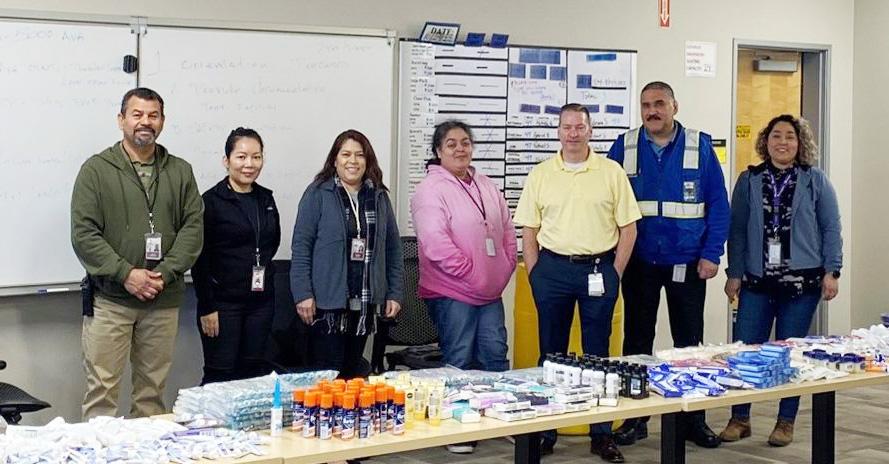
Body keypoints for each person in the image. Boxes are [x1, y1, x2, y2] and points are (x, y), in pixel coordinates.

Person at [514, 103, 640, 463]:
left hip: (599, 270)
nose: (572, 133)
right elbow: (530, 229)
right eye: (566, 127)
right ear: (558, 131)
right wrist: (536, 273)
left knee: (598, 356)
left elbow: (628, 228)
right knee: (550, 355)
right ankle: (547, 429)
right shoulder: (541, 173)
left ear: (590, 130)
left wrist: (615, 271)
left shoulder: (611, 172)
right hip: (552, 270)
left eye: (579, 127)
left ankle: (601, 434)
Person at [606, 81, 729, 449]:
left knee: (689, 343)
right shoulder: (623, 146)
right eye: (645, 105)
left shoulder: (699, 145)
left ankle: (692, 420)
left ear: (674, 105)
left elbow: (718, 206)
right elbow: (605, 204)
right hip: (639, 262)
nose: (652, 111)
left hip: (688, 263)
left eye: (659, 103)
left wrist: (712, 254)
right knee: (637, 341)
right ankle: (636, 418)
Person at [71, 87, 203, 419]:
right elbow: (84, 234)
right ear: (121, 120)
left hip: (162, 299)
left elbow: (192, 228)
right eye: (137, 114)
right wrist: (126, 274)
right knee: (102, 393)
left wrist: (165, 272)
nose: (145, 122)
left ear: (162, 122)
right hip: (111, 300)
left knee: (152, 395)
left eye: (153, 115)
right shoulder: (96, 170)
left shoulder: (180, 171)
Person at [720, 114, 842, 447]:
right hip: (757, 284)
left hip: (801, 286)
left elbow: (831, 228)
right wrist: (734, 274)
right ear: (766, 141)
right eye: (776, 136)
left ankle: (785, 422)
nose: (782, 142)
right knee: (745, 352)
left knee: (789, 355)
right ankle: (739, 418)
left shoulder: (815, 180)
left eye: (790, 136)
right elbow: (738, 231)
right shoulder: (749, 179)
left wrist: (832, 270)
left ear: (800, 143)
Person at [411, 120, 517, 454]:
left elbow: (507, 229)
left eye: (466, 142)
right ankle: (458, 428)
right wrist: (471, 272)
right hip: (453, 291)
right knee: (460, 357)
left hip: (489, 291)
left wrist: (505, 264)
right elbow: (434, 243)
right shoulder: (430, 189)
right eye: (452, 144)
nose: (460, 149)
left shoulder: (485, 184)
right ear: (438, 151)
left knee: (495, 353)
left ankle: (501, 416)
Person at [291, 129, 404, 379]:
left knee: (353, 376)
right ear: (335, 159)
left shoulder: (378, 197)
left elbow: (393, 250)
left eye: (359, 155)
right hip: (326, 306)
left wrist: (394, 293)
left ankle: (349, 419)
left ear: (368, 160)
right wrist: (303, 294)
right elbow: (301, 247)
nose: (353, 161)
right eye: (346, 154)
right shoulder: (318, 193)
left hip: (364, 305)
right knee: (328, 379)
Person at [191, 127, 281, 384]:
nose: (249, 164)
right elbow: (199, 258)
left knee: (253, 373)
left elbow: (271, 244)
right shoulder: (210, 201)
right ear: (226, 161)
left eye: (256, 157)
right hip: (222, 304)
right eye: (241, 157)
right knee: (221, 373)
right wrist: (207, 307)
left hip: (261, 302)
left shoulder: (266, 198)